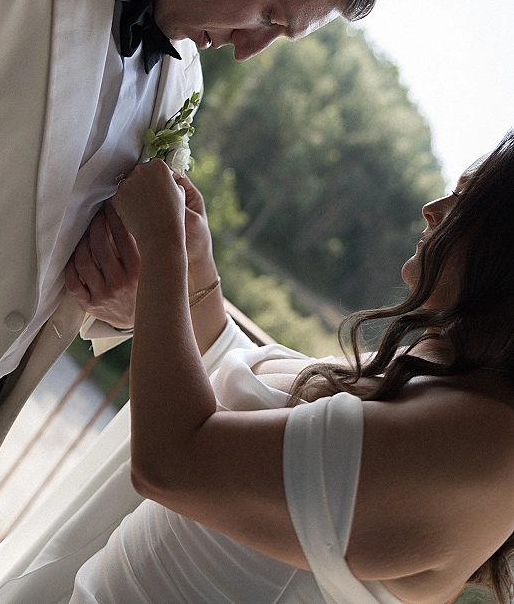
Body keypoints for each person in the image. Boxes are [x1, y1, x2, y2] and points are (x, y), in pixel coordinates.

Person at [0, 0, 390, 511]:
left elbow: (68, 281)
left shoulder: (185, 85)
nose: (248, 49)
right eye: (269, 14)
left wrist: (123, 305)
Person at [65, 130, 514, 604]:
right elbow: (277, 432)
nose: (433, 207)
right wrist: (197, 270)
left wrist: (162, 246)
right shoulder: (450, 375)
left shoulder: (478, 445)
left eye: (464, 199)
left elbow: (170, 463)